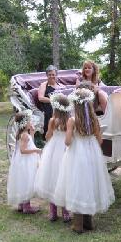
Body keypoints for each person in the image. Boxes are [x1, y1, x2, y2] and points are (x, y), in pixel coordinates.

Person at [53, 88, 115, 233]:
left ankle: (78, 225)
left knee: (77, 186)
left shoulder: (72, 120)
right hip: (92, 155)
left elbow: (68, 142)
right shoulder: (94, 120)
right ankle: (89, 222)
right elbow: (100, 140)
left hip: (77, 156)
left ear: (76, 105)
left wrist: (72, 137)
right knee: (89, 185)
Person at [34, 93, 72, 223]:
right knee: (63, 178)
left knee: (52, 178)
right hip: (65, 150)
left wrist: (48, 133)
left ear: (55, 108)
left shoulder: (52, 121)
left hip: (53, 150)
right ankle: (65, 212)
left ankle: (53, 212)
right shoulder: (69, 120)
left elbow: (48, 136)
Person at [7, 110, 41, 214]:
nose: (31, 123)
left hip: (21, 161)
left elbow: (30, 143)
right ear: (25, 123)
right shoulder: (24, 135)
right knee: (27, 181)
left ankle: (21, 205)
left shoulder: (22, 133)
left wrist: (32, 133)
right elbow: (23, 150)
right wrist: (36, 150)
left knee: (22, 181)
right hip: (25, 162)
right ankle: (27, 207)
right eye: (29, 121)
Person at [38, 65, 64, 136]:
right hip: (48, 108)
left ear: (56, 75)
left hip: (60, 108)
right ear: (47, 75)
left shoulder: (61, 85)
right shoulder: (44, 85)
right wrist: (53, 100)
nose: (51, 76)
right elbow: (40, 98)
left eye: (53, 74)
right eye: (49, 75)